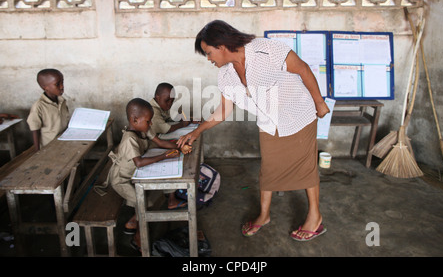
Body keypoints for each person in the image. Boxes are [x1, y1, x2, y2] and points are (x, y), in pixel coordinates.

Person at [177, 20, 330, 242]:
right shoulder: (226, 75)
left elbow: (303, 69)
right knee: (268, 169)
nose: (209, 59)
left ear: (221, 46)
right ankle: (264, 215)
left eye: (208, 53)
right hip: (270, 122)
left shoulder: (267, 50)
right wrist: (197, 131)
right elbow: (223, 110)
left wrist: (320, 103)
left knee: (306, 167)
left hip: (298, 115)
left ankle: (315, 218)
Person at [98, 98, 189, 252]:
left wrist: (180, 147)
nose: (151, 124)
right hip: (122, 180)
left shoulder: (143, 128)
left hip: (135, 174)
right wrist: (164, 157)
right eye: (148, 121)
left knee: (148, 197)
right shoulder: (130, 139)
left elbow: (160, 143)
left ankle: (133, 221)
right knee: (143, 203)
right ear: (134, 120)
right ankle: (139, 238)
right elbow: (139, 162)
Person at [26, 69, 70, 151]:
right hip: (49, 147)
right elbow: (35, 129)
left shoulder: (62, 101)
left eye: (62, 82)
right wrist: (37, 151)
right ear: (45, 87)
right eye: (57, 84)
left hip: (64, 142)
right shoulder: (39, 106)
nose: (62, 87)